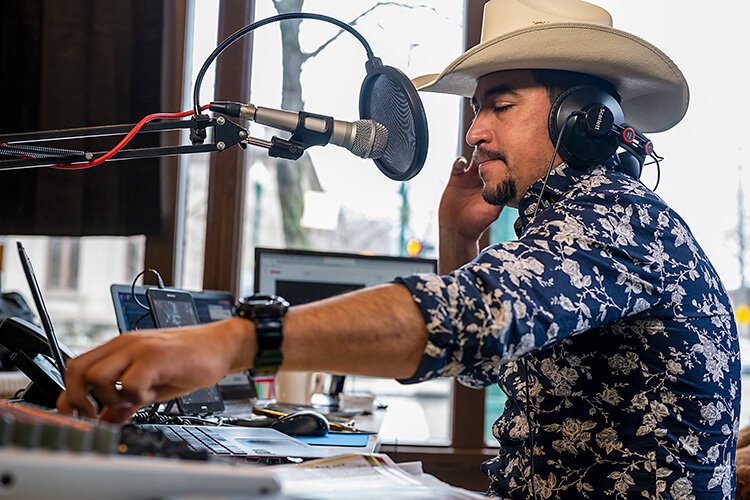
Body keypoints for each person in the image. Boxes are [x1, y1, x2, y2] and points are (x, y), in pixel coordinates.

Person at [58, 0, 740, 498]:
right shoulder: (567, 230)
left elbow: (472, 320)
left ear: (579, 118)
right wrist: (457, 238)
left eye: (499, 104)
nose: (473, 132)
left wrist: (233, 341)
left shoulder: (618, 219)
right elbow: (486, 367)